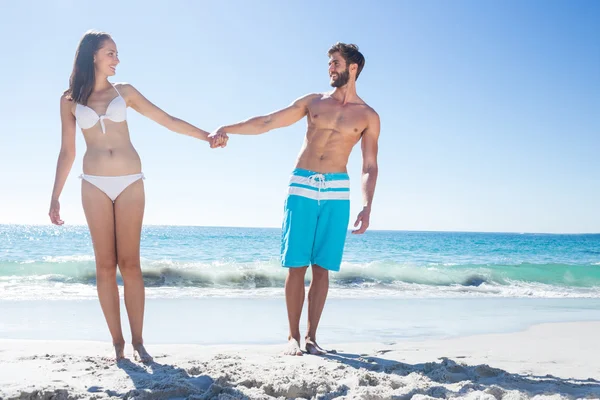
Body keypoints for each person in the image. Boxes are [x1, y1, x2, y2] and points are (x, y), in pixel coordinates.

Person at [48, 30, 221, 362]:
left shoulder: (124, 92)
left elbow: (165, 119)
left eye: (116, 54)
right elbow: (67, 151)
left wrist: (206, 136)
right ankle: (117, 343)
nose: (117, 59)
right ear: (93, 55)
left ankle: (139, 341)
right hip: (93, 183)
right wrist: (55, 196)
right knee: (104, 266)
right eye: (111, 53)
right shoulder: (69, 99)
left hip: (129, 181)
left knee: (130, 264)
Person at [211, 43, 380, 356]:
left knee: (322, 267)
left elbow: (369, 165)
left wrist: (367, 206)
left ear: (352, 67)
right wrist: (227, 128)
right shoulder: (313, 102)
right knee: (296, 265)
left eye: (335, 63)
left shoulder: (368, 116)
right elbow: (268, 121)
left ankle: (312, 337)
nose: (330, 68)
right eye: (329, 63)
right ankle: (292, 337)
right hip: (302, 184)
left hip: (337, 190)